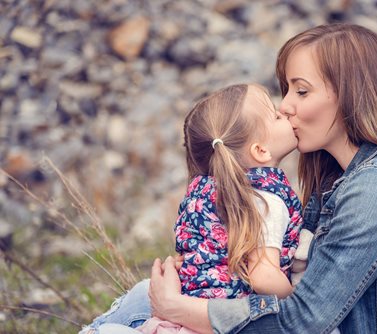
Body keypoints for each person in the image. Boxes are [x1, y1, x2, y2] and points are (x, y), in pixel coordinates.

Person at [84, 23, 377, 334]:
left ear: (351, 95)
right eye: (285, 89)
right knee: (141, 298)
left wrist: (181, 309)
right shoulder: (336, 177)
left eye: (301, 91)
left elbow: (305, 320)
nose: (285, 105)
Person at [80, 83, 308, 334]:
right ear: (261, 150)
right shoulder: (267, 200)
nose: (285, 113)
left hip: (190, 308)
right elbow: (263, 276)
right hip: (221, 320)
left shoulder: (212, 191)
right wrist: (299, 302)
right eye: (275, 116)